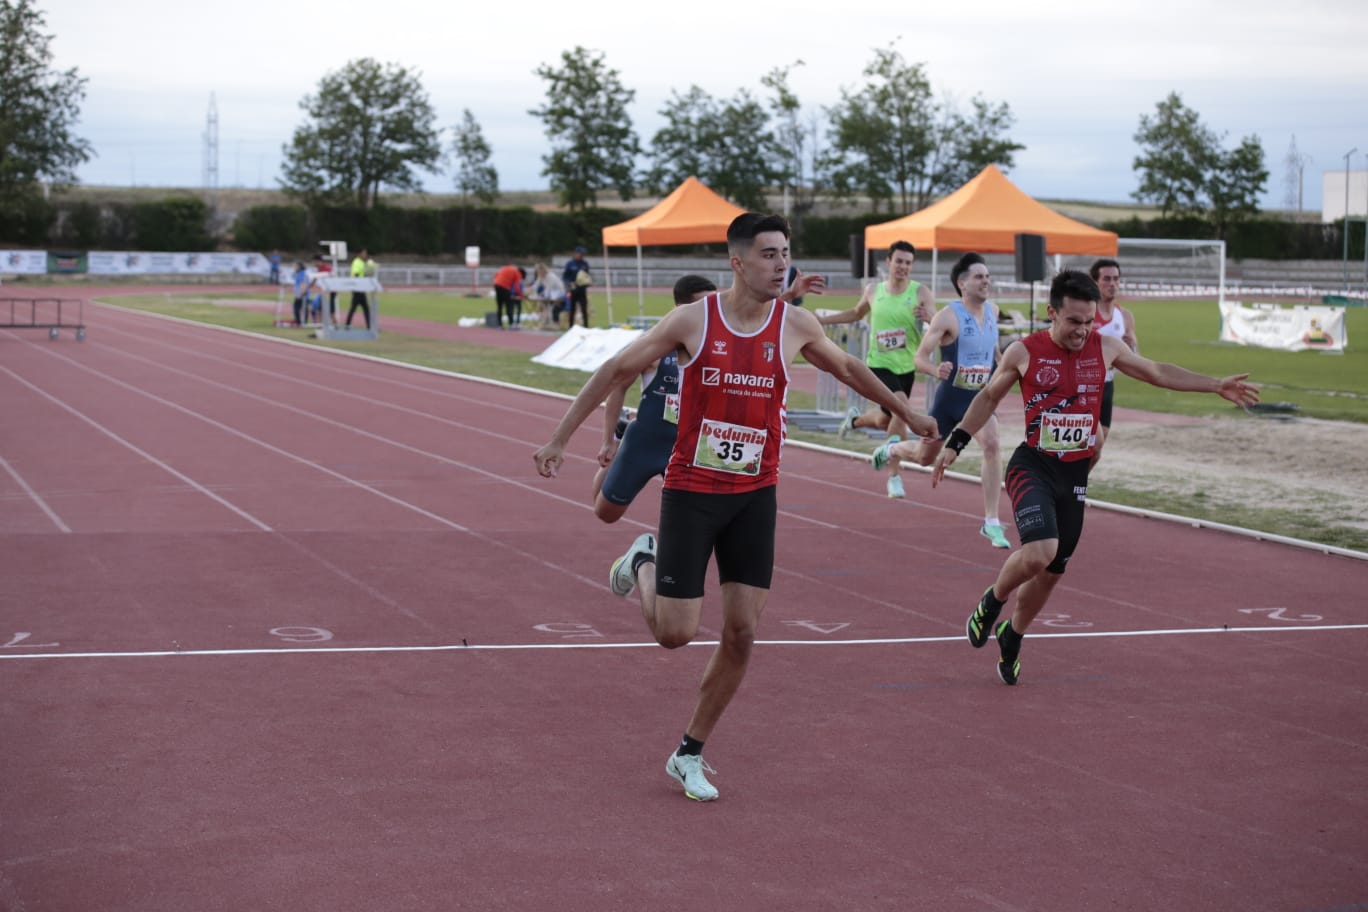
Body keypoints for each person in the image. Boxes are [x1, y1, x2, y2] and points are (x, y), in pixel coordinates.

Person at [533, 213, 936, 801]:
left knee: (742, 632)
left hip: (755, 494)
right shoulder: (693, 321)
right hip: (693, 493)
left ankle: (689, 752)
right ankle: (644, 561)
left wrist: (912, 412)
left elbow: (848, 367)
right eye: (770, 255)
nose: (782, 265)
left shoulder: (794, 323)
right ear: (738, 262)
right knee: (675, 634)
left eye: (786, 254)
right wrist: (561, 438)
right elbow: (617, 368)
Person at [932, 270, 1259, 686]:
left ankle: (1012, 634)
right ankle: (992, 601)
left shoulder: (1105, 348)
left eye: (1088, 322)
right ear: (1052, 313)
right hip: (1033, 464)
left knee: (1051, 574)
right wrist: (956, 441)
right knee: (1039, 552)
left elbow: (1157, 371)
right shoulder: (1023, 351)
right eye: (1073, 322)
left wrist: (1214, 385)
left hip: (1074, 474)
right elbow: (989, 397)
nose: (1082, 331)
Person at [869, 252, 1010, 548]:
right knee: (924, 458)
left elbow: (994, 353)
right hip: (949, 401)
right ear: (962, 283)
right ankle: (894, 447)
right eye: (979, 277)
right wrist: (937, 369)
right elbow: (919, 358)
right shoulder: (948, 316)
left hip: (979, 399)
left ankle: (992, 521)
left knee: (993, 443)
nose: (986, 281)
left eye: (987, 276)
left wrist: (1005, 368)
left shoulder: (994, 312)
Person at [590, 275, 718, 524]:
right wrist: (608, 441)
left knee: (694, 519)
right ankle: (618, 448)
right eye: (705, 307)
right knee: (605, 513)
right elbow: (618, 386)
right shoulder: (653, 347)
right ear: (681, 310)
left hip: (687, 447)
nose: (712, 314)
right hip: (648, 440)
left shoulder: (716, 345)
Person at [817, 239, 936, 498]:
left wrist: (928, 318)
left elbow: (937, 323)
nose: (903, 266)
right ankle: (894, 474)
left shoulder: (920, 292)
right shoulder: (874, 290)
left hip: (906, 368)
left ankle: (855, 421)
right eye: (899, 261)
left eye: (908, 263)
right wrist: (822, 320)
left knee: (886, 419)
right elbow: (856, 313)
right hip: (878, 366)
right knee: (901, 409)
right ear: (888, 262)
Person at [1088, 258, 1139, 465]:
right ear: (1095, 282)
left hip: (1107, 385)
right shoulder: (1086, 313)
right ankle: (1071, 490)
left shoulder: (1124, 315)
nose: (1112, 284)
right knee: (1089, 443)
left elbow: (1135, 359)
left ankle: (1077, 488)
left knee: (1097, 449)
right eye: (1107, 279)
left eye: (1116, 279)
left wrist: (1133, 345)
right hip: (1085, 385)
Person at [562, 246, 592, 328]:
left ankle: (586, 326)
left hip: (582, 289)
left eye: (583, 254)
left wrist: (588, 282)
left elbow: (587, 276)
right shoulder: (570, 264)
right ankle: (571, 327)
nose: (582, 255)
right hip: (573, 289)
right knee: (572, 309)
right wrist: (569, 283)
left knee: (584, 308)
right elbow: (565, 276)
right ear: (576, 253)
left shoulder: (585, 264)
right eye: (580, 254)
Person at [530, 263, 565, 329]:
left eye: (539, 271)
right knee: (543, 306)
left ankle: (551, 323)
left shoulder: (551, 276)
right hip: (550, 294)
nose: (538, 273)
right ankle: (546, 323)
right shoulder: (540, 276)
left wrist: (543, 295)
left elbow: (550, 288)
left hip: (558, 294)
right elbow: (535, 285)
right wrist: (529, 291)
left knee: (549, 307)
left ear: (543, 270)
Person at [492, 264, 526, 329]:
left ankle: (499, 324)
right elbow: (517, 286)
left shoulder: (508, 267)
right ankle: (511, 323)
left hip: (497, 285)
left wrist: (496, 282)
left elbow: (496, 274)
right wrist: (521, 295)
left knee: (499, 306)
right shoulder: (517, 273)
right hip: (505, 287)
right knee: (509, 305)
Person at [346, 248, 372, 329]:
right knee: (361, 308)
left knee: (360, 308)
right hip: (358, 288)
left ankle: (348, 325)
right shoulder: (357, 262)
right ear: (359, 254)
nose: (365, 255)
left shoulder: (362, 262)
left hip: (360, 288)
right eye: (364, 253)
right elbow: (356, 273)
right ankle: (369, 326)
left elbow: (362, 273)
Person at [290, 261, 308, 326]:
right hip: (301, 293)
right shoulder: (300, 273)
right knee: (303, 308)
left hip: (301, 294)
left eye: (295, 266)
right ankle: (302, 322)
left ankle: (299, 322)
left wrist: (300, 294)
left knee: (297, 308)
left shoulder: (301, 274)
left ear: (299, 267)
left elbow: (303, 284)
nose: (294, 268)